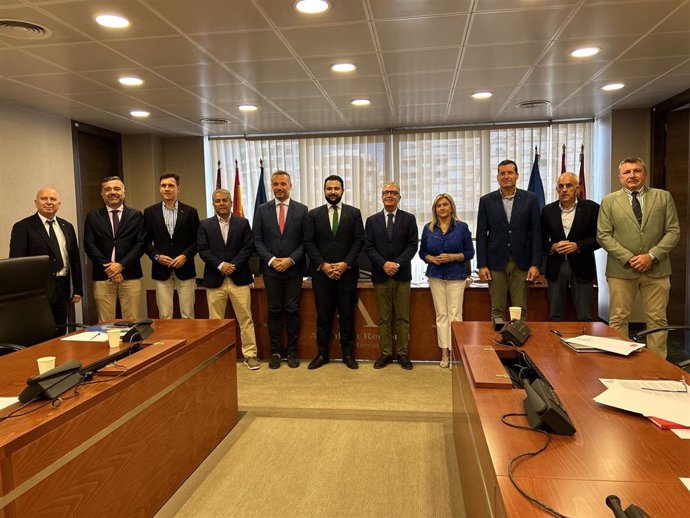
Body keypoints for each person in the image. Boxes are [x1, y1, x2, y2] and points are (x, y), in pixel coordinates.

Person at [597, 157, 680, 359]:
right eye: (627, 172)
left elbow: (673, 231)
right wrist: (629, 258)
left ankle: (658, 365)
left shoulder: (663, 197)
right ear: (620, 177)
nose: (632, 175)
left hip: (656, 270)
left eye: (636, 171)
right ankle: (619, 364)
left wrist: (651, 256)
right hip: (621, 271)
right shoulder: (609, 201)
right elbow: (603, 235)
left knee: (658, 319)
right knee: (618, 318)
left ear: (645, 173)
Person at [303, 174, 364, 370]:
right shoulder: (313, 215)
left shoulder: (354, 214)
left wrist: (345, 264)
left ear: (342, 191)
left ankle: (348, 354)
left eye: (336, 188)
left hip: (347, 274)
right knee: (323, 316)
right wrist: (323, 265)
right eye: (329, 189)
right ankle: (322, 354)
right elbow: (309, 243)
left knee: (347, 315)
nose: (333, 192)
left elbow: (358, 241)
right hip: (322, 275)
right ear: (324, 191)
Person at [197, 188, 260, 370]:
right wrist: (220, 265)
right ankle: (219, 356)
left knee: (245, 319)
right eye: (218, 201)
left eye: (225, 200)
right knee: (216, 322)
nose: (222, 204)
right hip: (215, 279)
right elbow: (203, 249)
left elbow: (248, 247)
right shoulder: (205, 225)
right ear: (213, 204)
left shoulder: (243, 223)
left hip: (238, 278)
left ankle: (250, 355)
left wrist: (232, 265)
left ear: (231, 203)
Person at [253, 170, 308, 369]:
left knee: (292, 310)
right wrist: (272, 260)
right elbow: (257, 240)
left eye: (283, 184)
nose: (279, 187)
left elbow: (305, 241)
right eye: (275, 184)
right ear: (272, 186)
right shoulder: (261, 210)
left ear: (290, 186)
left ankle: (292, 351)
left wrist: (291, 260)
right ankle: (275, 351)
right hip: (271, 271)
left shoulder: (302, 210)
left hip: (294, 270)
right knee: (274, 311)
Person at [9, 187, 82, 332]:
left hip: (63, 287)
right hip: (38, 290)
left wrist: (78, 289)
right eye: (44, 199)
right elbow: (17, 264)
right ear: (36, 203)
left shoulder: (67, 226)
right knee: (40, 331)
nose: (49, 202)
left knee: (61, 330)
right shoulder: (23, 227)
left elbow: (74, 259)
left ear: (59, 204)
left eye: (53, 199)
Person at [476, 159, 541, 323]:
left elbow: (536, 233)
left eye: (510, 173)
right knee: (497, 309)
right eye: (502, 173)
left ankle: (518, 344)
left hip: (522, 263)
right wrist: (482, 264)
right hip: (495, 263)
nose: (506, 176)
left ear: (517, 176)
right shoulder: (486, 201)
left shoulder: (530, 199)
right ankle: (499, 343)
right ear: (497, 177)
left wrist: (535, 264)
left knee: (519, 309)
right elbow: (481, 234)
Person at [364, 182, 418, 370]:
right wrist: (383, 264)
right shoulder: (372, 220)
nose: (389, 195)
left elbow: (412, 246)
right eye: (386, 192)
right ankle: (386, 353)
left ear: (399, 197)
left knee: (403, 317)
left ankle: (402, 354)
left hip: (402, 275)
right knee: (384, 318)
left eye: (393, 192)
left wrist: (396, 263)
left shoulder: (409, 219)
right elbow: (368, 247)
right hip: (381, 275)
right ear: (381, 196)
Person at [420, 194, 474, 368]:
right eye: (438, 205)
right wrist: (430, 258)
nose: (442, 208)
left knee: (455, 314)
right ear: (435, 209)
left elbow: (470, 252)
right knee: (441, 315)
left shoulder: (462, 228)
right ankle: (444, 352)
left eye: (445, 205)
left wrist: (452, 257)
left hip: (456, 275)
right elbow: (422, 252)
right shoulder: (428, 228)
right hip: (435, 275)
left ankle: (455, 354)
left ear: (452, 208)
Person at [84, 176, 145, 322]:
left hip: (130, 275)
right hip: (103, 275)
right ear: (102, 194)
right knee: (105, 322)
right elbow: (89, 245)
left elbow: (141, 243)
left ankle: (131, 345)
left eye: (117, 189)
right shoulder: (93, 216)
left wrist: (121, 265)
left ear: (124, 192)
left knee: (131, 320)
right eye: (107, 189)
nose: (112, 192)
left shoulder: (136, 216)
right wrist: (110, 267)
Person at [541, 173, 600, 321]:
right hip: (556, 267)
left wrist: (577, 246)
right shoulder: (548, 211)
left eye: (569, 186)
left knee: (585, 315)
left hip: (582, 267)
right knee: (555, 315)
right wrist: (553, 246)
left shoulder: (591, 208)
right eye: (561, 187)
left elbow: (599, 239)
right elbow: (540, 240)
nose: (564, 190)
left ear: (578, 189)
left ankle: (585, 343)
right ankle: (555, 344)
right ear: (557, 189)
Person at [144, 173, 200, 319]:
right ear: (160, 189)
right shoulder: (150, 212)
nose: (167, 189)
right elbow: (144, 242)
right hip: (161, 269)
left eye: (171, 185)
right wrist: (157, 256)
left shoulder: (190, 212)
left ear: (178, 188)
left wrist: (185, 256)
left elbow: (198, 241)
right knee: (165, 315)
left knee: (188, 314)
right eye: (163, 186)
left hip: (185, 269)